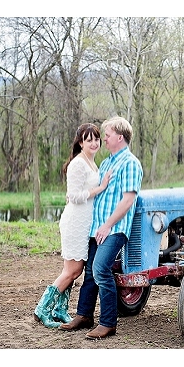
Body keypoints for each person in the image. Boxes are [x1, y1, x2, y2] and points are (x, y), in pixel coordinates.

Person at [59, 116, 142, 340]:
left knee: (101, 270)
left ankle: (108, 323)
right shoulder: (106, 163)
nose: (103, 138)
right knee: (89, 273)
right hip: (97, 228)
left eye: (106, 135)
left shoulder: (130, 163)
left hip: (114, 229)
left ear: (120, 137)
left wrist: (107, 225)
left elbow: (127, 200)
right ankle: (84, 315)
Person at [33, 123, 111, 328]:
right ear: (80, 142)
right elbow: (74, 196)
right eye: (89, 140)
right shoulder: (77, 164)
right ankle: (42, 309)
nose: (94, 143)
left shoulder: (92, 163)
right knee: (72, 270)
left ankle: (60, 309)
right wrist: (100, 188)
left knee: (76, 270)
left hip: (86, 224)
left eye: (96, 139)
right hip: (75, 222)